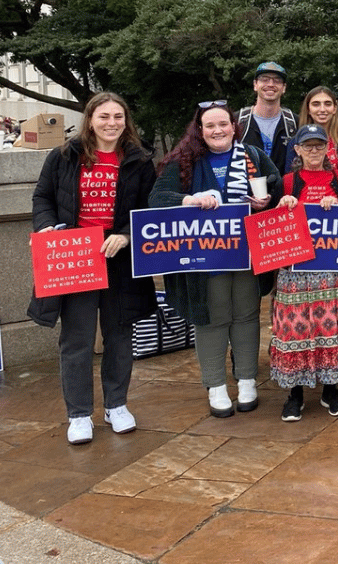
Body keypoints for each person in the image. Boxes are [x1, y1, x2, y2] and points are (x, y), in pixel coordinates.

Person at [29, 93, 157, 445]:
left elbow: (148, 208)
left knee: (119, 334)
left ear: (126, 120)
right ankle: (79, 413)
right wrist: (46, 229)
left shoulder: (139, 159)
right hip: (76, 257)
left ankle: (116, 404)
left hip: (118, 257)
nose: (111, 123)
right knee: (77, 338)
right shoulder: (64, 156)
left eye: (118, 116)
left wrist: (127, 235)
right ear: (90, 119)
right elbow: (42, 198)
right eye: (104, 116)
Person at [151, 101, 280, 419]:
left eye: (223, 124)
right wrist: (189, 199)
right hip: (204, 258)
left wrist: (266, 200)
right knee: (212, 319)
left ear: (233, 126)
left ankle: (247, 380)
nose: (217, 130)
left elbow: (275, 183)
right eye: (210, 125)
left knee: (247, 316)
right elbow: (157, 198)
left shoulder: (252, 155)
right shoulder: (184, 160)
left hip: (247, 254)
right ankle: (216, 385)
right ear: (200, 130)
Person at [272, 124, 338, 421]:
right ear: (297, 149)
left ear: (328, 148)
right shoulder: (286, 182)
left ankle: (331, 390)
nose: (314, 151)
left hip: (334, 272)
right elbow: (267, 223)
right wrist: (281, 205)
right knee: (296, 329)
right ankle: (294, 394)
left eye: (319, 146)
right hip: (296, 272)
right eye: (307, 146)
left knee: (332, 327)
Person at [236, 62, 296, 173]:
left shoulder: (294, 123)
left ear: (284, 88)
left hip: (284, 189)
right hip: (246, 188)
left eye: (277, 80)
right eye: (265, 79)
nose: (271, 84)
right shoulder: (237, 121)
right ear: (255, 85)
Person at [284, 86, 338, 171]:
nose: (322, 109)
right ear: (308, 109)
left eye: (328, 104)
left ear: (334, 109)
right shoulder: (296, 141)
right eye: (316, 104)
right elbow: (290, 177)